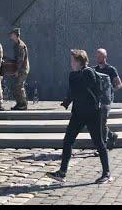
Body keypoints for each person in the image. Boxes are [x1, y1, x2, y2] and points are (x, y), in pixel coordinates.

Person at [47, 49, 112, 184]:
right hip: (78, 113)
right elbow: (74, 92)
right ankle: (62, 173)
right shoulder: (75, 74)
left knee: (99, 142)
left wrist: (75, 79)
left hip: (92, 113)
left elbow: (86, 89)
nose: (71, 63)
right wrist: (67, 102)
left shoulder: (88, 72)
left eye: (73, 60)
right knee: (68, 140)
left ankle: (106, 173)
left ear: (79, 61)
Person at [94, 48, 122, 150]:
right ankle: (112, 135)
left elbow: (119, 84)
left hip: (107, 100)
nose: (98, 58)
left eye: (100, 56)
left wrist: (110, 91)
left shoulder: (111, 69)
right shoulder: (94, 70)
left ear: (105, 57)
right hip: (97, 100)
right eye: (97, 56)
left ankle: (102, 147)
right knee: (100, 123)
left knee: (102, 122)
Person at [9, 28, 30, 110]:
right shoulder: (16, 44)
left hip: (22, 69)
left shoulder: (21, 45)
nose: (10, 35)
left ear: (15, 35)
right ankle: (19, 103)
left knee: (19, 85)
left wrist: (17, 71)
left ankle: (23, 104)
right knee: (15, 86)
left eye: (12, 34)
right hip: (19, 68)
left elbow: (21, 60)